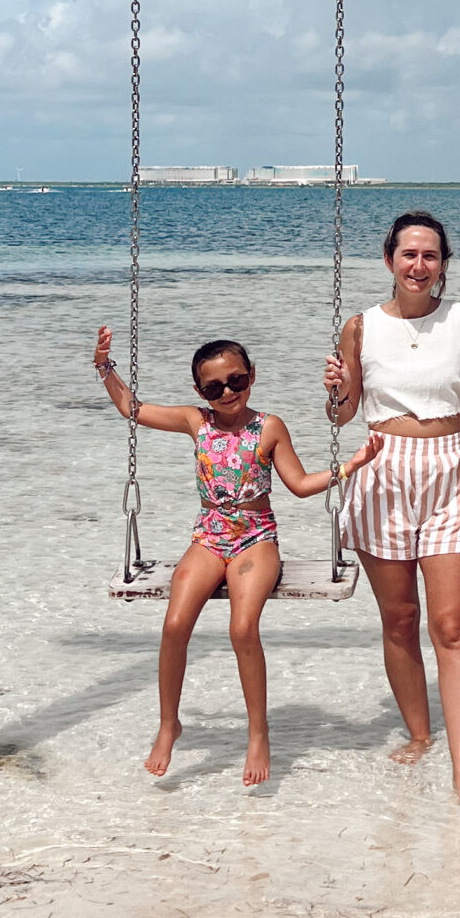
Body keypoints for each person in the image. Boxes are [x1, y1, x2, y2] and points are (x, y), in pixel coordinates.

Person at [92, 327, 382, 787]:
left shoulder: (268, 426)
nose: (227, 392)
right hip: (209, 536)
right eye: (214, 387)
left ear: (252, 378)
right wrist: (105, 366)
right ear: (199, 391)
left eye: (237, 380)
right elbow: (132, 409)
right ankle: (170, 724)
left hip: (255, 538)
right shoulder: (196, 421)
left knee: (242, 627)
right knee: (173, 625)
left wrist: (353, 462)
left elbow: (301, 485)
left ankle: (258, 732)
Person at [322, 210, 460, 810]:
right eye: (409, 254)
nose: (419, 266)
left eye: (430, 256)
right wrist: (334, 389)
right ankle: (418, 732)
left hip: (447, 470)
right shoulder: (359, 327)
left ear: (443, 263)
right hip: (381, 469)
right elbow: (342, 414)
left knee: (451, 626)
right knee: (398, 618)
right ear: (389, 259)